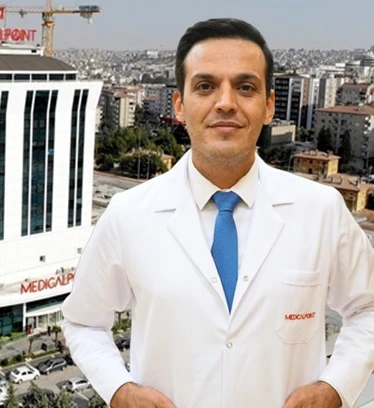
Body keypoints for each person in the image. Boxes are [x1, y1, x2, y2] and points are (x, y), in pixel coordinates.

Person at [60, 18, 374, 408]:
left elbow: (368, 308)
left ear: (269, 106)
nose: (225, 102)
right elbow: (83, 321)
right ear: (179, 105)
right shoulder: (128, 215)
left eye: (245, 87)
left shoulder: (320, 211)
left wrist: (335, 388)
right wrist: (119, 391)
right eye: (206, 86)